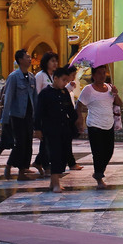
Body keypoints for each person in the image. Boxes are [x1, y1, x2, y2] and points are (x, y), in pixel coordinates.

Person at [35, 64, 81, 193]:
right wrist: (37, 128)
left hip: (64, 128)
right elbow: (38, 112)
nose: (65, 83)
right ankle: (55, 183)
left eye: (67, 80)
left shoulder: (64, 92)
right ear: (55, 79)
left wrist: (76, 122)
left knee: (63, 155)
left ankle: (53, 182)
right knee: (54, 154)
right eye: (63, 80)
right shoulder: (45, 93)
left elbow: (70, 110)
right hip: (50, 129)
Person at [77, 64, 121, 188]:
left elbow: (119, 103)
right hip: (95, 125)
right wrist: (80, 120)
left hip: (108, 124)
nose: (102, 76)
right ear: (94, 75)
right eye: (99, 73)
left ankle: (99, 172)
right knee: (98, 153)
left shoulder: (109, 88)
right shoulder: (88, 89)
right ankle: (99, 177)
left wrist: (115, 93)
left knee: (109, 152)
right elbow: (78, 105)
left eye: (104, 72)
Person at [0, 49, 37, 180]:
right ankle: (12, 168)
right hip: (17, 115)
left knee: (28, 143)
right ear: (20, 60)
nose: (30, 59)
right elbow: (8, 97)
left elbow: (34, 97)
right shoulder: (13, 77)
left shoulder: (32, 77)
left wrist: (36, 115)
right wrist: (5, 119)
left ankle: (22, 169)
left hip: (29, 115)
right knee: (20, 143)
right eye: (27, 57)